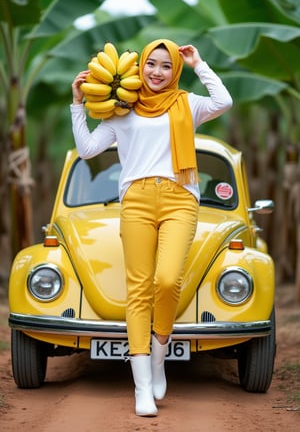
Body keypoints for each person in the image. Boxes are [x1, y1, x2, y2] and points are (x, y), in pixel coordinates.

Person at [71, 38, 232, 416]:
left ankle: (160, 351)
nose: (156, 72)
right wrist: (77, 104)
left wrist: (198, 63)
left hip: (180, 198)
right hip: (136, 201)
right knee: (139, 288)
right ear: (139, 65)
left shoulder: (188, 104)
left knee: (167, 280)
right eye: (150, 64)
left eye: (165, 65)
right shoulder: (121, 111)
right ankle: (142, 387)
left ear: (174, 70)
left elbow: (224, 101)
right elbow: (88, 150)